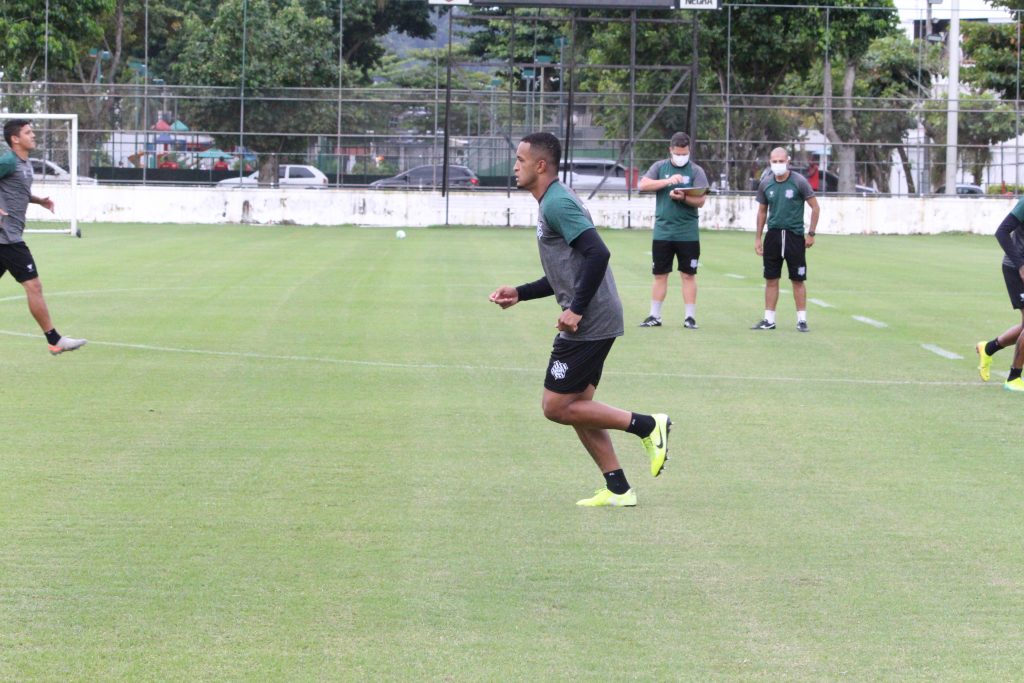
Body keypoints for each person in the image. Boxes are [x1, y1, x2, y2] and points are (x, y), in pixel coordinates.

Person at [489, 132, 671, 507]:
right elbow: (566, 273)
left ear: (541, 165)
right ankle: (618, 488)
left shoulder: (557, 203)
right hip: (594, 317)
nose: (515, 166)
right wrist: (520, 293)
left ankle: (648, 425)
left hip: (591, 321)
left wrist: (576, 309)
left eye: (520, 160)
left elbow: (598, 253)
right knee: (577, 407)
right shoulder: (551, 202)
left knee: (555, 407)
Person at [0, 120, 87, 355]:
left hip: (8, 236)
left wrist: (39, 200)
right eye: (28, 132)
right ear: (15, 139)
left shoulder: (25, 165)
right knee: (34, 286)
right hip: (7, 239)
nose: (34, 135)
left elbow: (16, 191)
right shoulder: (8, 161)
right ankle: (54, 339)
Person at [637, 132, 710, 329]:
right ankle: (654, 315)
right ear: (671, 150)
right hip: (662, 232)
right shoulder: (660, 167)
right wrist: (668, 182)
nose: (681, 156)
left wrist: (683, 198)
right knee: (660, 274)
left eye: (684, 153)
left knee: (688, 275)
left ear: (689, 151)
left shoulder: (696, 171)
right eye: (677, 153)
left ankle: (689, 317)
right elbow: (643, 184)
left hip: (687, 233)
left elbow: (701, 200)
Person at [751, 147, 821, 332]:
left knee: (797, 279)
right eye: (775, 161)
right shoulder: (766, 183)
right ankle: (769, 320)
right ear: (770, 162)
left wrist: (811, 234)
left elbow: (815, 207)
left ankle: (802, 320)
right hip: (773, 236)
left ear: (788, 161)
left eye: (781, 161)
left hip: (794, 236)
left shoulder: (799, 181)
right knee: (771, 279)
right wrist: (758, 238)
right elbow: (762, 211)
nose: (778, 164)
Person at [976, 196, 1024, 391]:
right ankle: (1013, 377)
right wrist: (1020, 265)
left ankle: (988, 348)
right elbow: (1002, 232)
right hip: (1016, 268)